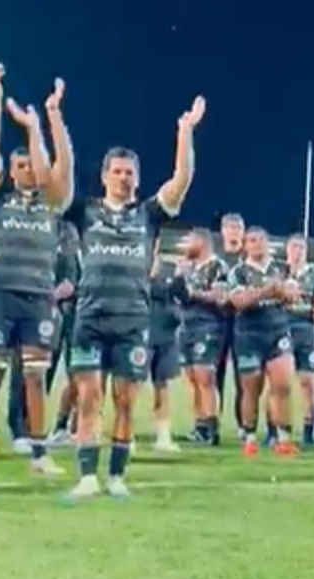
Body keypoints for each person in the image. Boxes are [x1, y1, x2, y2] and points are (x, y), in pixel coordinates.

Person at [66, 95, 206, 500]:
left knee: (125, 401)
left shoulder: (148, 214)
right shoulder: (86, 211)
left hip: (131, 320)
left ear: (138, 180)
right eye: (117, 171)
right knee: (88, 397)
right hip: (90, 317)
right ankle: (87, 477)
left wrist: (185, 132)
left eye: (129, 173)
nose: (123, 178)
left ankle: (116, 477)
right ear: (104, 176)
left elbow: (182, 178)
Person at [0, 65, 73, 475]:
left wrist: (42, 125)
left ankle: (38, 452)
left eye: (31, 164)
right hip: (2, 294)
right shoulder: (0, 198)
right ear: (12, 171)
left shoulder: (53, 202)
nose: (27, 170)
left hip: (38, 299)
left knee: (34, 377)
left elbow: (60, 164)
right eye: (20, 166)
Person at [227, 227, 299, 457]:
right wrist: (266, 291)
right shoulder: (238, 272)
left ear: (268, 243)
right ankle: (249, 436)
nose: (257, 244)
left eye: (260, 240)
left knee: (283, 385)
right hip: (248, 335)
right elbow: (238, 301)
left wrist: (281, 292)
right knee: (251, 389)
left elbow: (293, 296)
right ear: (245, 245)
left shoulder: (282, 268)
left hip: (278, 331)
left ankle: (283, 438)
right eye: (252, 240)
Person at [9, 221, 80, 450]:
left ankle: (37, 428)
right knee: (25, 371)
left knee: (44, 374)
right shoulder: (29, 230)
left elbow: (70, 279)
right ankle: (20, 430)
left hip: (61, 315)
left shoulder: (67, 234)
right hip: (32, 309)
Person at [173, 228, 229, 446]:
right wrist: (178, 277)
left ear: (202, 242)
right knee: (193, 378)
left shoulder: (217, 266)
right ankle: (199, 425)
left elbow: (221, 296)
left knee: (205, 376)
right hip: (186, 325)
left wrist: (194, 294)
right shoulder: (189, 267)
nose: (187, 245)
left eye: (190, 240)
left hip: (208, 325)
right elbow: (178, 296)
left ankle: (211, 427)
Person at [284, 234, 314, 445]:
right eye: (294, 247)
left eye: (301, 247)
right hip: (281, 329)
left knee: (309, 384)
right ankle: (277, 429)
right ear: (287, 249)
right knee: (279, 382)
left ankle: (309, 429)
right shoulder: (277, 272)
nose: (297, 251)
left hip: (306, 329)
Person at [145, 243, 183, 453]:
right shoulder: (138, 267)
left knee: (162, 386)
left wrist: (179, 278)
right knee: (131, 386)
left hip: (166, 336)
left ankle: (163, 436)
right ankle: (125, 435)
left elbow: (182, 296)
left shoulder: (170, 268)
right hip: (142, 333)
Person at [215, 213, 245, 432]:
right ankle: (211, 422)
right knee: (214, 373)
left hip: (244, 323)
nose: (234, 231)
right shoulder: (215, 261)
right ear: (223, 230)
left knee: (243, 375)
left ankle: (244, 424)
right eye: (230, 227)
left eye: (237, 228)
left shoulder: (248, 260)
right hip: (217, 322)